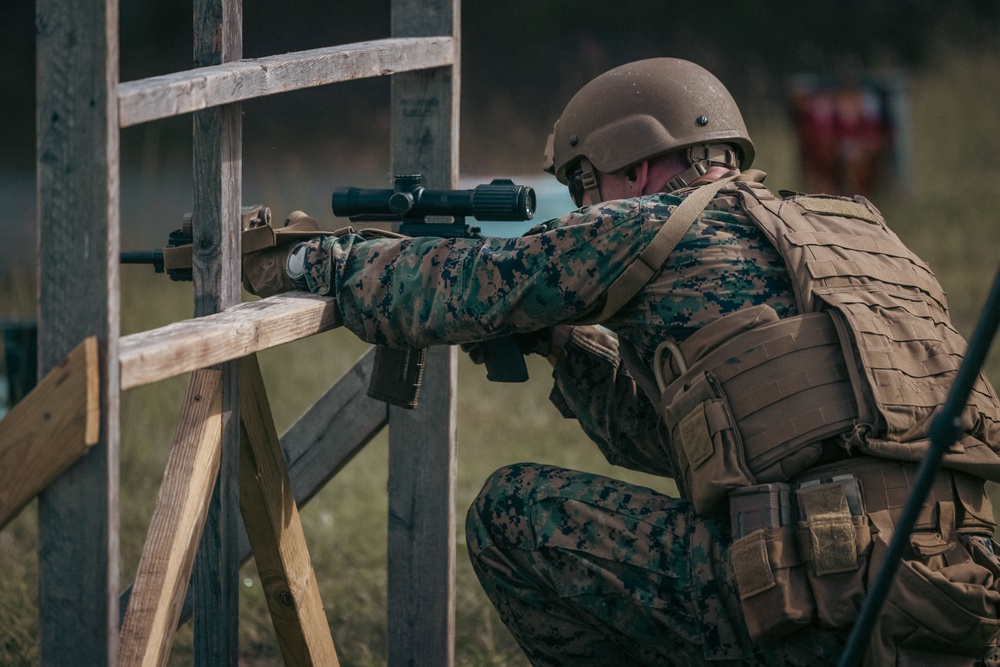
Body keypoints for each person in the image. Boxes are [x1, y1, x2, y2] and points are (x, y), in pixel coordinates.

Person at [242, 58, 1000, 666]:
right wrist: (565, 346)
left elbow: (444, 290)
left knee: (513, 515)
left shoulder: (647, 223)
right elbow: (698, 443)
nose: (579, 206)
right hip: (949, 597)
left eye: (582, 183)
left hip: (825, 603)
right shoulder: (856, 234)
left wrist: (317, 261)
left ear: (632, 166)